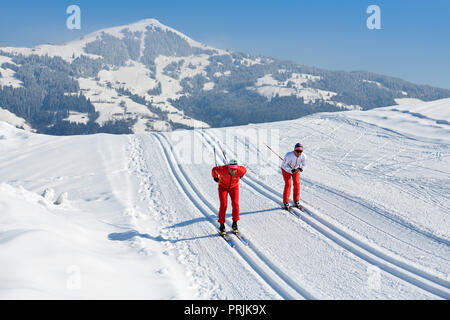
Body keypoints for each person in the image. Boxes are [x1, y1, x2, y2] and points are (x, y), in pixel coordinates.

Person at [211, 160, 247, 235]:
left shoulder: (240, 170)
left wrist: (241, 176)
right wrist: (215, 177)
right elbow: (214, 169)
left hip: (234, 187)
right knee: (223, 205)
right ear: (228, 168)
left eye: (235, 169)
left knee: (235, 204)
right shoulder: (222, 170)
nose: (233, 171)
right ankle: (221, 225)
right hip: (223, 187)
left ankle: (234, 223)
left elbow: (244, 170)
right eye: (231, 169)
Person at [281, 143, 307, 210]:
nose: (299, 153)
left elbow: (304, 165)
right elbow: (283, 166)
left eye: (300, 151)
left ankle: (296, 200)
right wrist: (290, 171)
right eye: (297, 151)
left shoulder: (303, 156)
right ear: (294, 150)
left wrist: (302, 168)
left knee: (297, 183)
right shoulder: (289, 155)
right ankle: (286, 202)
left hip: (296, 169)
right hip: (286, 170)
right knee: (288, 184)